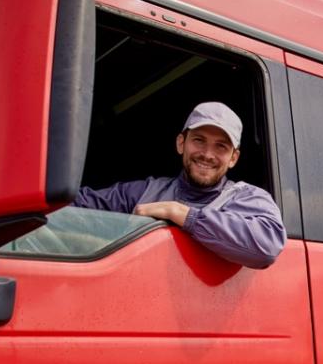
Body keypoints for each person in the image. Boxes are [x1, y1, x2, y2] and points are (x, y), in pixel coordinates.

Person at [73, 102, 285, 269]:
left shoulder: (246, 198)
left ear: (233, 158)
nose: (207, 154)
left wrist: (181, 214)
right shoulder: (145, 191)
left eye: (221, 146)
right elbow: (76, 205)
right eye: (199, 140)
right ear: (181, 143)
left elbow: (267, 246)